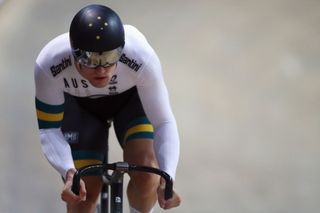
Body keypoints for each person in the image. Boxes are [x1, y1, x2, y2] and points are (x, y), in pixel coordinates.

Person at [34, 4, 181, 213]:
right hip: (79, 106)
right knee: (82, 193)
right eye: (91, 59)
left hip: (129, 102)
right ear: (74, 54)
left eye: (110, 58)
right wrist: (68, 171)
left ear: (121, 50)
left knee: (150, 176)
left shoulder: (140, 56)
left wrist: (168, 176)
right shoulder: (50, 64)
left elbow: (164, 121)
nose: (101, 69)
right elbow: (49, 129)